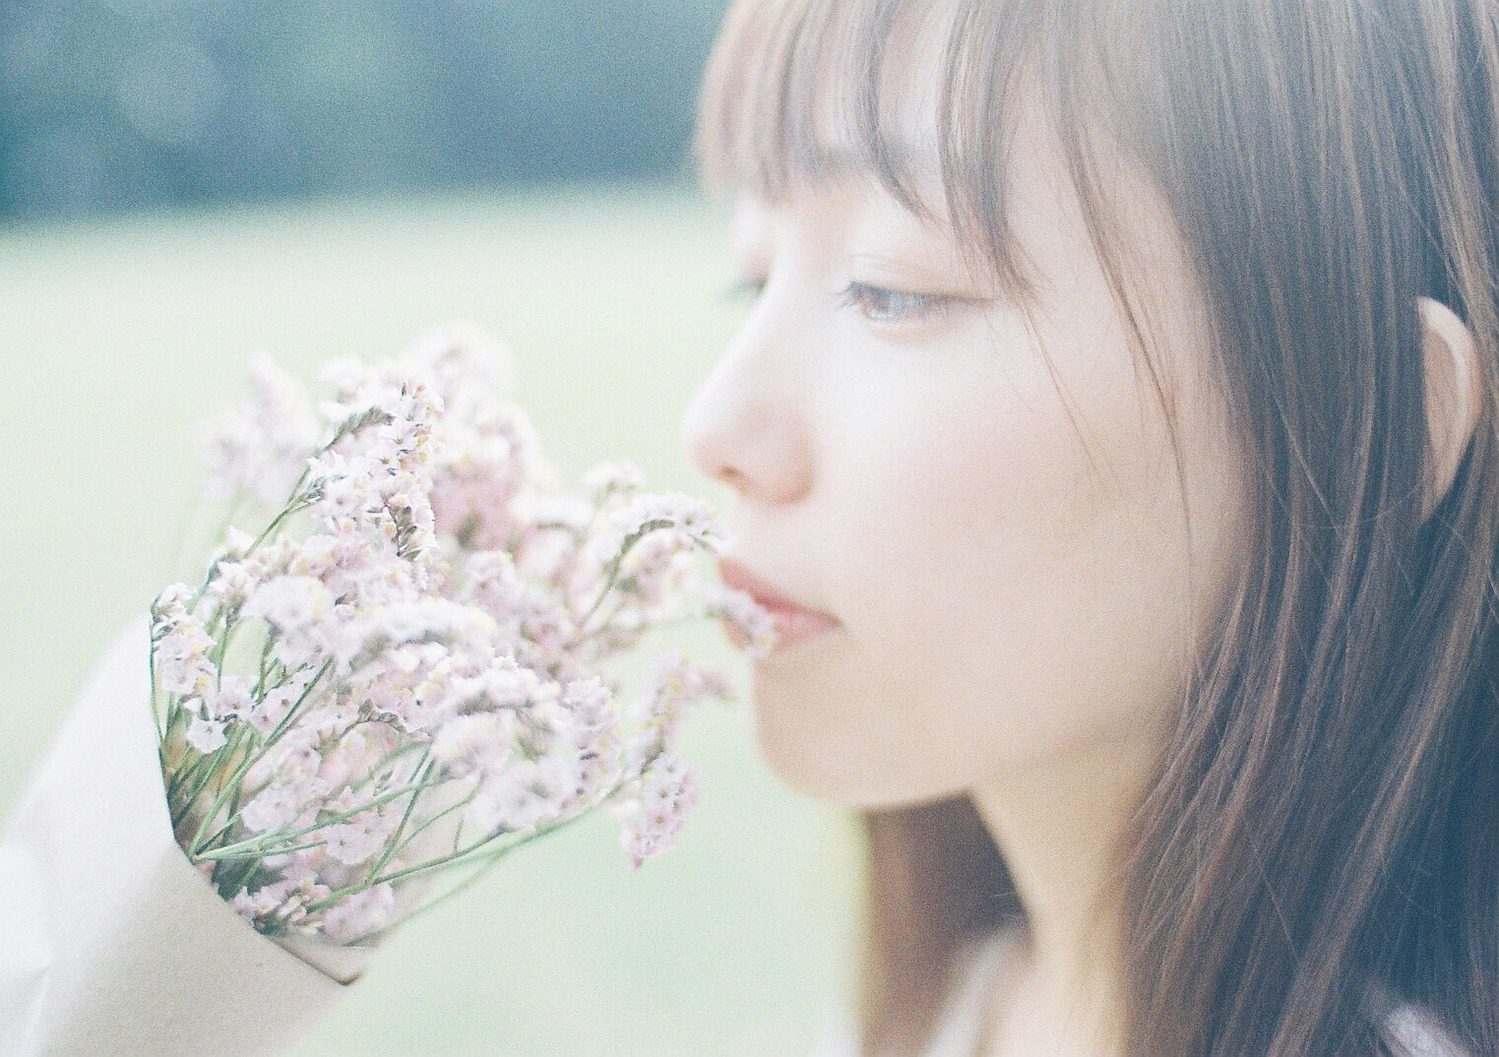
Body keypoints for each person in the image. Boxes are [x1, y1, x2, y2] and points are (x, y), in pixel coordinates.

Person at [2, 0, 1496, 1055]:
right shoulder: (963, 1009)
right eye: (752, 272)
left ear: (1356, 428)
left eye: (898, 285)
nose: (717, 424)